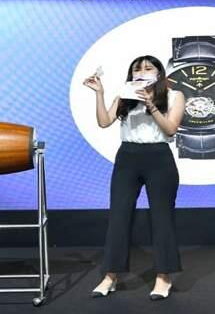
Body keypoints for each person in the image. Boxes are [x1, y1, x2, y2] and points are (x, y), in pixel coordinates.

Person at [83, 55, 186, 301]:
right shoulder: (125, 95)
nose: (142, 72)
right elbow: (104, 122)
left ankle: (163, 277)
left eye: (148, 68)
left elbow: (171, 129)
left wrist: (151, 105)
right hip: (128, 157)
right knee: (118, 216)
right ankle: (110, 276)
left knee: (161, 218)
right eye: (137, 69)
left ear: (159, 73)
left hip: (159, 158)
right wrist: (99, 93)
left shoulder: (174, 95)